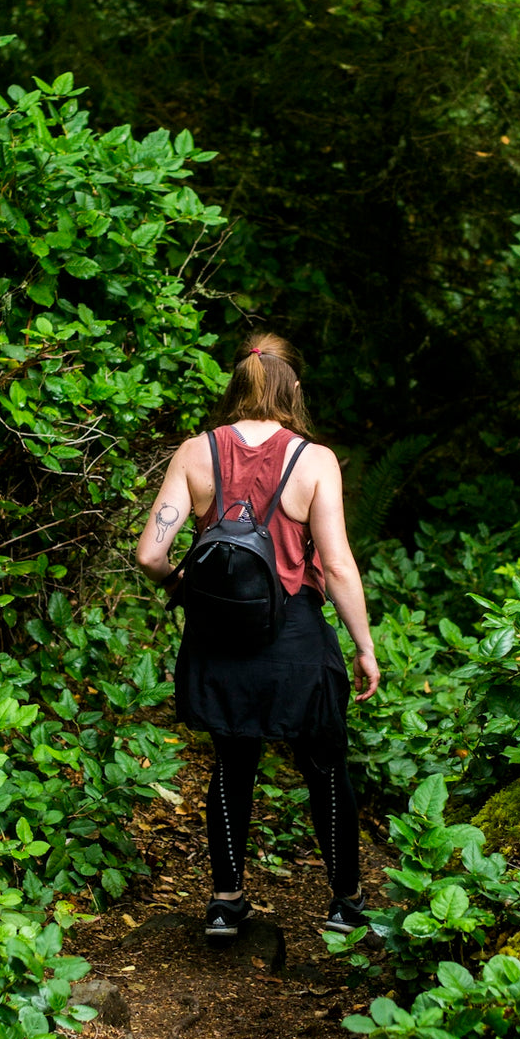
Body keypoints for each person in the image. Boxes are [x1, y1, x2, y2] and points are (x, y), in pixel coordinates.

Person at [136, 332, 381, 939]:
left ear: (236, 386)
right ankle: (345, 903)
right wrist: (365, 646)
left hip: (218, 635)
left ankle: (224, 902)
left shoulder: (195, 452)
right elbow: (340, 564)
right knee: (324, 764)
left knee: (231, 761)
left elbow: (149, 555)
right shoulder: (315, 459)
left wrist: (185, 586)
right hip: (295, 636)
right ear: (291, 387)